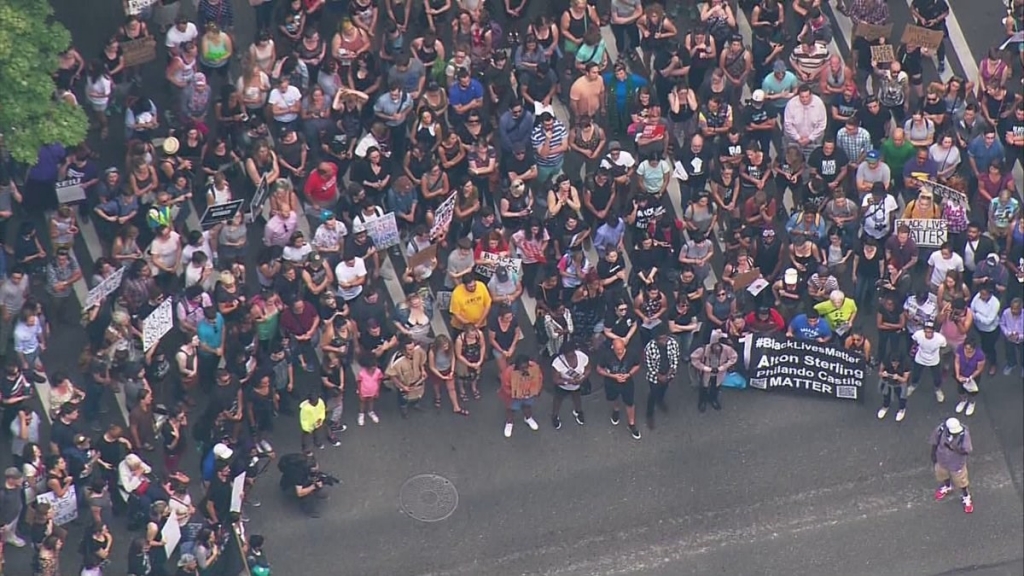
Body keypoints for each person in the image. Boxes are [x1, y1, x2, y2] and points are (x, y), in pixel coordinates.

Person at [929, 417, 974, 513]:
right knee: (942, 474)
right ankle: (947, 486)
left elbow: (967, 451)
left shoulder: (964, 435)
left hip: (956, 463)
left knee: (961, 481)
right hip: (941, 459)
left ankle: (966, 497)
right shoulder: (940, 430)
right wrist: (933, 455)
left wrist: (953, 448)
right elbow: (934, 442)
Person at [643, 324, 679, 430]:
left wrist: (668, 374)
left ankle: (660, 400)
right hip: (655, 376)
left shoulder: (673, 343)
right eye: (661, 339)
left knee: (664, 389)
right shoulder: (649, 348)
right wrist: (659, 376)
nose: (664, 341)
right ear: (656, 340)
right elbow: (648, 365)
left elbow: (675, 360)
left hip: (669, 373)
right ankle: (649, 414)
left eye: (665, 338)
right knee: (653, 394)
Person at [550, 341, 590, 430]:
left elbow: (588, 369)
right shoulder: (557, 363)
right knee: (558, 399)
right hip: (562, 386)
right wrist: (568, 382)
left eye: (572, 355)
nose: (570, 358)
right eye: (568, 356)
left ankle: (578, 411)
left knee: (577, 397)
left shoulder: (582, 357)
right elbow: (555, 379)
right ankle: (555, 415)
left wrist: (582, 378)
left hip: (577, 385)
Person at [690, 340, 738, 413]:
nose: (717, 354)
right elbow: (694, 358)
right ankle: (702, 401)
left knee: (716, 387)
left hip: (719, 373)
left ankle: (713, 399)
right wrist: (705, 368)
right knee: (704, 387)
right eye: (715, 352)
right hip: (706, 373)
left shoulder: (727, 349)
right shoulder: (703, 350)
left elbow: (734, 357)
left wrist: (723, 367)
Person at [278, 452, 329, 518]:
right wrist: (313, 487)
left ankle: (316, 491)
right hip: (289, 487)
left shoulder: (304, 460)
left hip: (289, 479)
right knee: (308, 494)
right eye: (314, 469)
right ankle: (309, 510)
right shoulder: (298, 475)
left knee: (314, 481)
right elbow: (300, 492)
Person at [909, 321, 947, 402]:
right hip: (920, 358)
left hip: (934, 360)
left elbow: (943, 348)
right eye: (926, 331)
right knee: (916, 374)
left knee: (937, 377)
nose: (928, 333)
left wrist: (940, 357)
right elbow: (915, 342)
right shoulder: (918, 335)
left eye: (930, 331)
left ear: (934, 331)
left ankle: (937, 390)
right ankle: (913, 385)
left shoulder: (940, 339)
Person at [877, 353, 911, 422]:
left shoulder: (906, 364)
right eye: (893, 363)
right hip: (888, 382)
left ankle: (902, 409)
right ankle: (885, 406)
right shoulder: (886, 361)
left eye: (896, 363)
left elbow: (905, 379)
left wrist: (898, 377)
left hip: (900, 384)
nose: (894, 365)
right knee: (886, 395)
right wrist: (883, 374)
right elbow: (880, 373)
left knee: (901, 397)